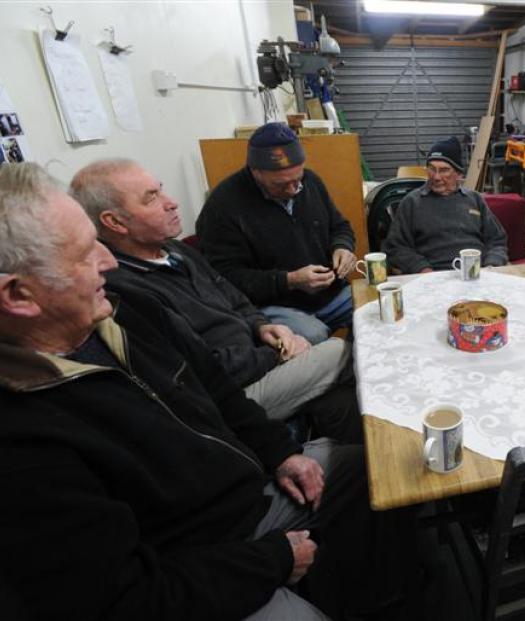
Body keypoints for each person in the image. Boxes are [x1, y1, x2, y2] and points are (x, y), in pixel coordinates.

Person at [0, 162, 386, 620]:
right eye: (85, 254)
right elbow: (126, 599)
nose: (107, 262)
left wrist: (280, 452)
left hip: (248, 493)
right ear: (19, 296)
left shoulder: (125, 311)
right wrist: (273, 560)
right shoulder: (23, 440)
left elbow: (220, 391)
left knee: (374, 471)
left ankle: (380, 596)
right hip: (199, 563)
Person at [68, 160, 361, 442]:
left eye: (162, 189)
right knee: (340, 351)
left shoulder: (175, 251)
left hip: (257, 354)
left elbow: (233, 296)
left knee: (358, 333)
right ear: (115, 221)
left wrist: (262, 327)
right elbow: (204, 371)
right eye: (151, 198)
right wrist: (275, 354)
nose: (172, 202)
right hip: (232, 396)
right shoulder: (128, 294)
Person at [197, 122, 358, 344]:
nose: (293, 190)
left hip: (329, 294)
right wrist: (288, 281)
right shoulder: (223, 206)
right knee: (313, 334)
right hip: (274, 305)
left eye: (297, 180)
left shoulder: (310, 182)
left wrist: (343, 247)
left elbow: (339, 226)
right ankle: (338, 373)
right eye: (281, 185)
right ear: (256, 172)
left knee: (376, 308)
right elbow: (224, 278)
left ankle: (355, 365)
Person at [382, 137, 508, 273]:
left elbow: (497, 240)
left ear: (458, 173)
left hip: (477, 273)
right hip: (433, 276)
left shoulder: (475, 199)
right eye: (431, 169)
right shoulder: (412, 202)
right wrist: (421, 268)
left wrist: (492, 265)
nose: (436, 177)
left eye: (444, 170)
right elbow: (395, 247)